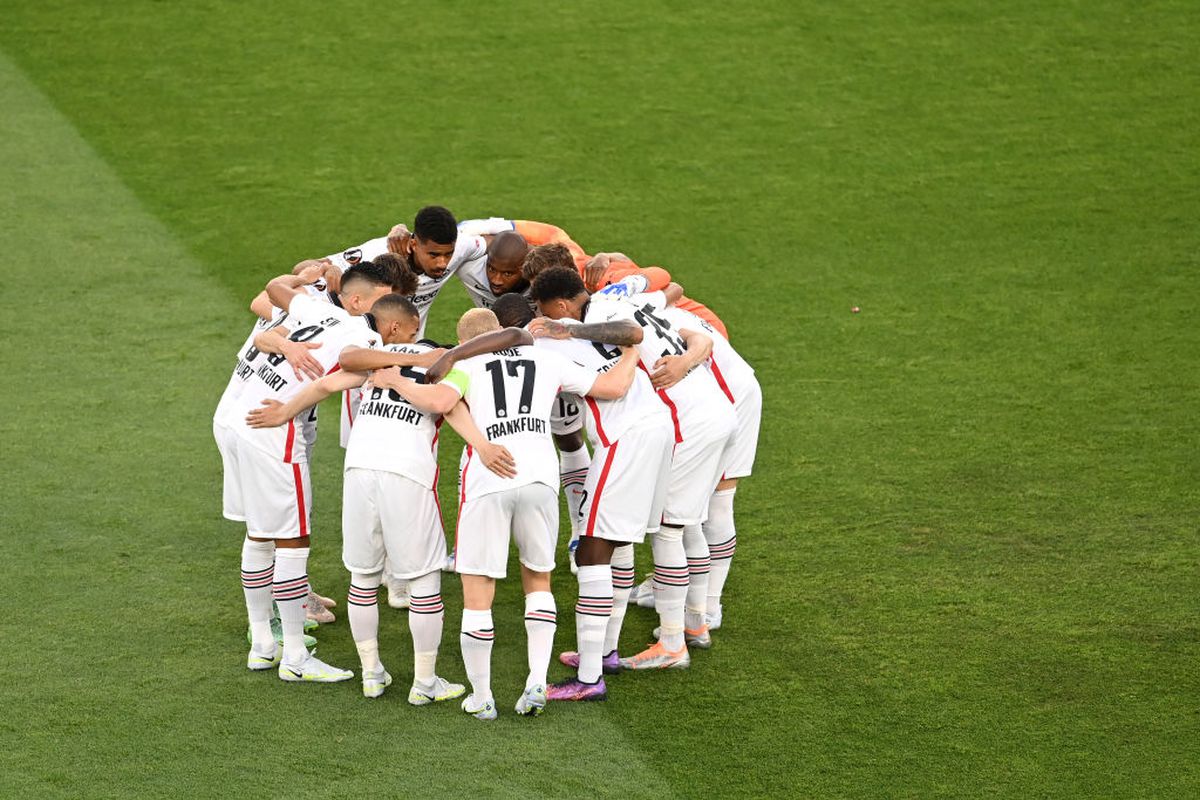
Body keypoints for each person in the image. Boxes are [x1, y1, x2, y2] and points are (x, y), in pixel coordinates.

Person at [243, 295, 513, 703]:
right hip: (407, 471)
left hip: (359, 468)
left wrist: (285, 412)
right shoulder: (445, 360)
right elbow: (450, 406)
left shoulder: (378, 359)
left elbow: (328, 381)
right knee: (423, 579)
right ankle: (424, 683)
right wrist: (482, 444)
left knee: (363, 579)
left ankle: (372, 674)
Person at [385, 308, 641, 720]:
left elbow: (442, 401)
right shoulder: (548, 358)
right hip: (540, 476)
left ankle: (482, 696)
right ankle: (536, 683)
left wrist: (398, 379)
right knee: (538, 578)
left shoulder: (466, 362)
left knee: (478, 588)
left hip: (488, 479)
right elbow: (612, 387)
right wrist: (630, 354)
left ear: (464, 337)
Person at [529, 268, 736, 670]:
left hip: (681, 420)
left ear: (557, 306)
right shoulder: (622, 300)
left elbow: (633, 335)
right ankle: (693, 623)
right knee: (671, 525)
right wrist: (689, 359)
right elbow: (675, 294)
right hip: (711, 408)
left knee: (667, 528)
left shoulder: (596, 318)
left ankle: (674, 642)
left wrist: (566, 332)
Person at [214, 264, 392, 682]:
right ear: (358, 300)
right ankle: (295, 657)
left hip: (235, 415)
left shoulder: (313, 307)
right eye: (384, 299)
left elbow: (273, 288)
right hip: (274, 428)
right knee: (292, 542)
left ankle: (263, 645)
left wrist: (305, 275)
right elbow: (347, 366)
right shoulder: (362, 335)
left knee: (259, 533)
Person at [512, 300, 675, 701]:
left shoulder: (536, 347)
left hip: (625, 438)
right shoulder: (569, 325)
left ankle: (589, 679)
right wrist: (573, 331)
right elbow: (632, 335)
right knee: (617, 541)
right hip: (659, 428)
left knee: (591, 549)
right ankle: (605, 653)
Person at [630, 300, 761, 632]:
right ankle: (679, 592)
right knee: (696, 504)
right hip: (733, 390)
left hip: (727, 399)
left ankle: (706, 608)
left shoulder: (642, 315)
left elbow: (706, 345)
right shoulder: (666, 308)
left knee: (704, 503)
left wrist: (683, 364)